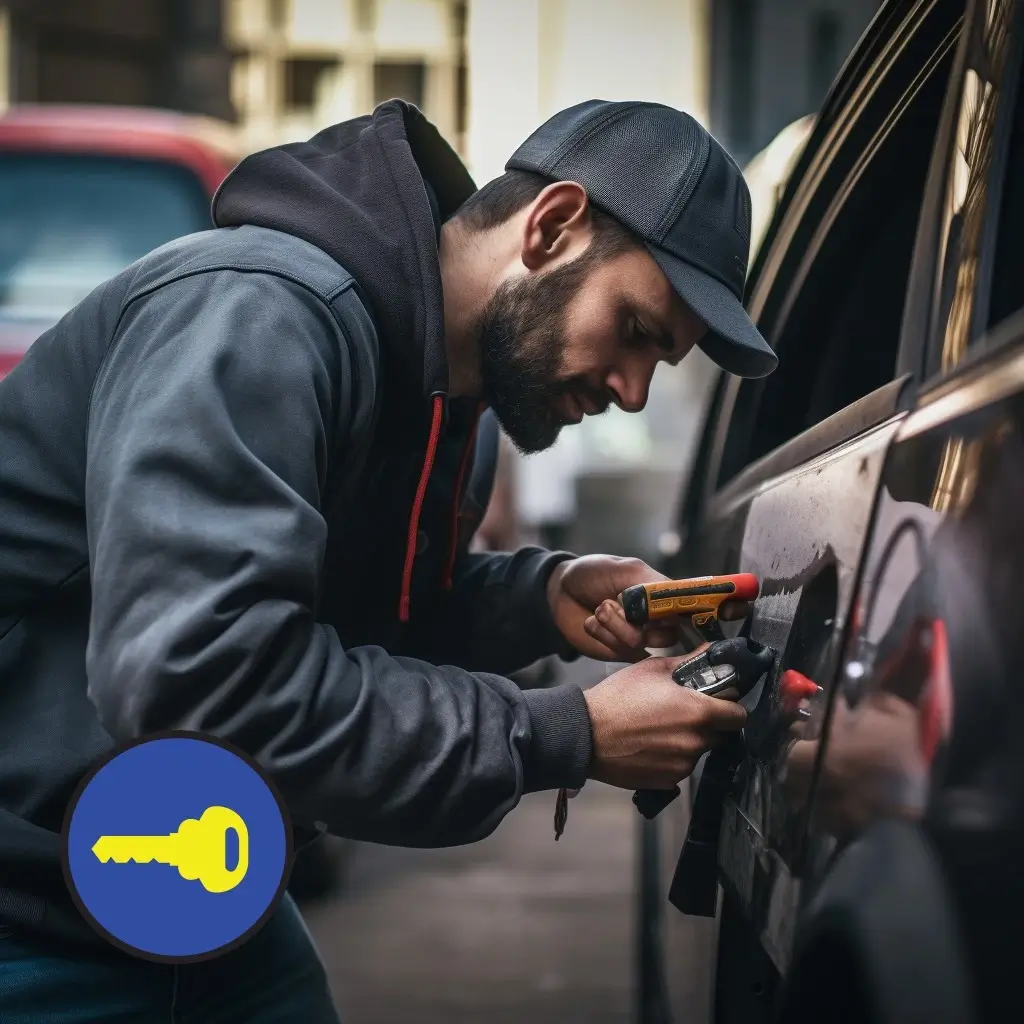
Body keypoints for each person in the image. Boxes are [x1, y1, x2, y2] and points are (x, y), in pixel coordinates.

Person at [0, 99, 777, 1020]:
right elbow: (203, 682)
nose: (635, 390)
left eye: (664, 362)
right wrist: (570, 734)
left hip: (190, 885)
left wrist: (546, 596)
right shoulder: (255, 315)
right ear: (554, 227)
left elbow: (352, 615)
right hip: (29, 907)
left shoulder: (455, 409)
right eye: (638, 330)